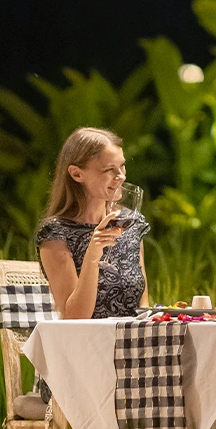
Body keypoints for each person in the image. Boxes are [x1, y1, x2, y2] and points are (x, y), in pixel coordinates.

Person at [36, 127, 149, 318]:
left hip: (132, 342)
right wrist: (93, 253)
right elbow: (74, 318)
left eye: (121, 166)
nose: (121, 176)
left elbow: (143, 303)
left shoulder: (131, 223)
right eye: (108, 170)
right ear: (77, 174)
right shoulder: (55, 233)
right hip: (86, 343)